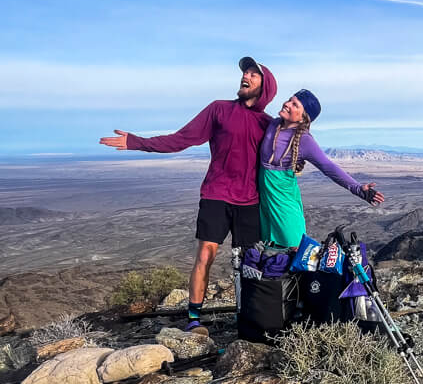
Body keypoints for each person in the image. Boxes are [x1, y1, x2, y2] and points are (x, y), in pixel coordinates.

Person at [100, 57, 277, 332]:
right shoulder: (219, 109)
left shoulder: (267, 124)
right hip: (216, 194)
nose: (247, 76)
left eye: (255, 74)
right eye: (246, 72)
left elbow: (288, 152)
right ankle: (194, 318)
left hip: (251, 201)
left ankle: (250, 316)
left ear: (265, 88)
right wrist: (137, 142)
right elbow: (182, 138)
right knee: (206, 253)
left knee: (249, 261)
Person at [258, 88, 384, 248]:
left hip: (283, 201)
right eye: (289, 100)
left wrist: (358, 189)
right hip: (264, 202)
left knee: (293, 248)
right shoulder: (273, 124)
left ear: (303, 117)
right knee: (268, 253)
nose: (287, 104)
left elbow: (328, 166)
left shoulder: (304, 140)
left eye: (295, 104)